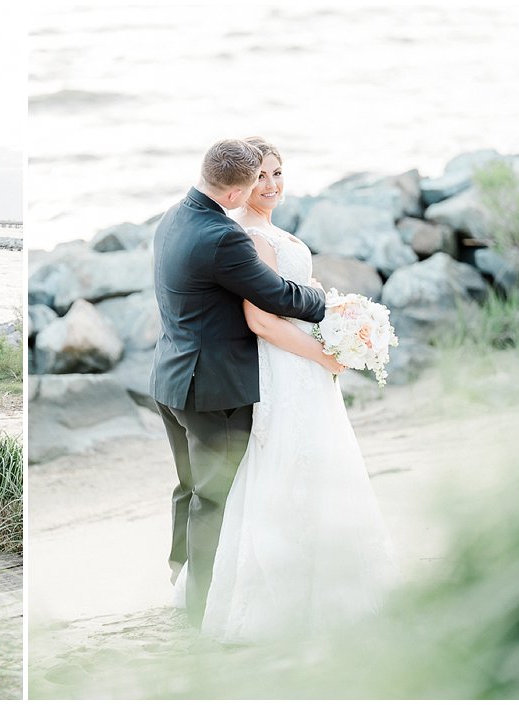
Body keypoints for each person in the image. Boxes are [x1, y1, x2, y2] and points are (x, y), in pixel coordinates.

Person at [197, 137, 400, 642]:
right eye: (260, 176)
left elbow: (293, 301)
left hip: (302, 362)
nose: (270, 186)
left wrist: (342, 325)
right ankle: (285, 596)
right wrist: (325, 353)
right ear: (239, 184)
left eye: (277, 174)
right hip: (285, 366)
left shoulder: (266, 229)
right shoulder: (249, 236)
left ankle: (333, 573)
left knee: (321, 461)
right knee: (290, 464)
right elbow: (261, 321)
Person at [150, 139, 329, 628]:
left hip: (171, 379)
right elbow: (274, 296)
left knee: (190, 488)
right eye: (255, 182)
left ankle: (181, 575)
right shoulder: (222, 236)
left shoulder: (174, 215)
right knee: (213, 499)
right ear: (235, 193)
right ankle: (203, 605)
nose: (263, 189)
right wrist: (330, 309)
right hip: (211, 390)